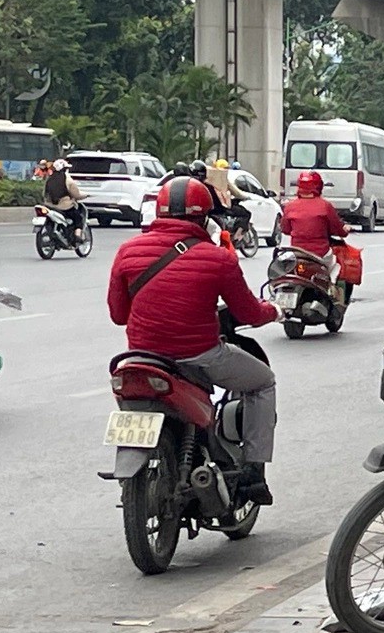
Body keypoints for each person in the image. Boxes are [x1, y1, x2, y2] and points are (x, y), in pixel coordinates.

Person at [107, 177, 280, 504]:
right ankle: (255, 473)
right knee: (263, 383)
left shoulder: (127, 251)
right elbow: (250, 314)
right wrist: (274, 311)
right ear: (205, 218)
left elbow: (119, 314)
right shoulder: (218, 259)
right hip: (198, 356)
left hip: (141, 359)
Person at [280, 170, 349, 293]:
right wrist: (345, 229)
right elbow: (339, 229)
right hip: (320, 254)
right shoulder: (325, 206)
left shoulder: (290, 207)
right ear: (319, 186)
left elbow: (285, 229)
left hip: (297, 253)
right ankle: (332, 294)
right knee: (336, 267)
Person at [42, 159, 86, 244]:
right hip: (65, 207)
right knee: (78, 218)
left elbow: (44, 193)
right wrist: (85, 196)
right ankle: (77, 236)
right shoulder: (68, 180)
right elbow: (76, 195)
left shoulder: (49, 179)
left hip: (50, 206)